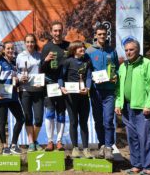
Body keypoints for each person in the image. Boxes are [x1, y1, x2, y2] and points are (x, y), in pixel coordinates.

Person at [115, 39, 150, 175]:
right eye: (126, 50)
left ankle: (148, 166)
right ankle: (136, 165)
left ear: (138, 50)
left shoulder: (147, 64)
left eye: (131, 49)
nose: (128, 52)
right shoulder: (123, 67)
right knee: (132, 137)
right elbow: (118, 88)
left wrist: (149, 104)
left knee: (145, 137)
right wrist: (118, 103)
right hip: (127, 108)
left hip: (142, 108)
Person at [86, 24, 119, 160]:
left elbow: (117, 68)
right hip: (95, 92)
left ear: (107, 35)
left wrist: (116, 75)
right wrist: (90, 83)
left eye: (104, 34)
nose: (102, 36)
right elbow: (87, 71)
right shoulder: (89, 51)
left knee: (108, 120)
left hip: (109, 91)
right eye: (99, 34)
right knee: (98, 121)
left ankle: (108, 147)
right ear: (95, 35)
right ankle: (101, 145)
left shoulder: (112, 51)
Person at [0, 42, 25, 155]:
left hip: (13, 96)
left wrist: (20, 80)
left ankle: (14, 145)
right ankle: (5, 147)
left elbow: (16, 79)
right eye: (8, 49)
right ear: (4, 50)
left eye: (12, 49)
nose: (10, 51)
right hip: (2, 96)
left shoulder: (14, 63)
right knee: (2, 121)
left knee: (21, 119)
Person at [60, 41, 93, 158]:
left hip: (83, 96)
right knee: (73, 122)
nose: (83, 49)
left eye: (83, 47)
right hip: (70, 97)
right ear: (74, 50)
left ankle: (86, 149)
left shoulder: (87, 61)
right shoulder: (68, 62)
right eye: (80, 48)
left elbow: (89, 76)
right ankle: (75, 148)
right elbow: (61, 77)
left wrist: (88, 88)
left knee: (84, 123)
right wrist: (61, 87)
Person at [41, 21, 69, 151]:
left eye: (59, 30)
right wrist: (46, 60)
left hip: (64, 85)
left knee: (61, 113)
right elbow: (41, 69)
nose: (57, 33)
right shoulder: (46, 47)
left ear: (62, 31)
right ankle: (50, 141)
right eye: (55, 31)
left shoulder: (68, 46)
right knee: (50, 113)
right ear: (51, 32)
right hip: (50, 85)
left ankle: (59, 141)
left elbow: (79, 55)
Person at [16, 33, 44, 152]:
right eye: (27, 42)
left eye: (32, 42)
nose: (30, 44)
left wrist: (42, 80)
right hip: (25, 90)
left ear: (35, 43)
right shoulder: (20, 56)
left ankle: (35, 139)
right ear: (24, 43)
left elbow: (43, 71)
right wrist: (19, 77)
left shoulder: (40, 56)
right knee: (28, 117)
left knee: (38, 119)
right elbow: (16, 71)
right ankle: (31, 143)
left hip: (38, 90)